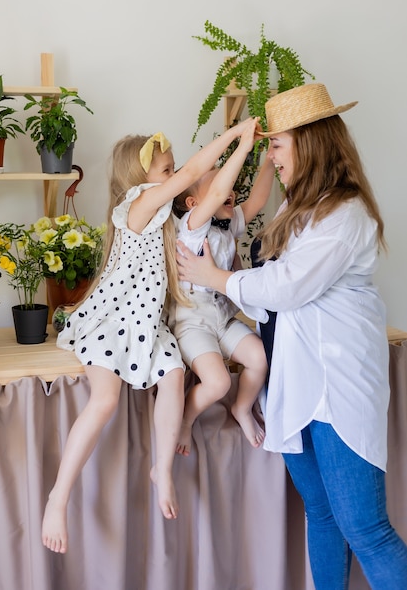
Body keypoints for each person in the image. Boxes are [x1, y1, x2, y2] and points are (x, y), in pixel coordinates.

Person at [176, 83, 407, 589]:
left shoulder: (345, 214)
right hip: (297, 379)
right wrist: (220, 280)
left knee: (366, 529)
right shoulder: (296, 208)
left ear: (308, 143)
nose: (272, 156)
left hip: (337, 386)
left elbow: (288, 285)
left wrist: (213, 277)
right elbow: (263, 292)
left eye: (276, 145)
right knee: (322, 517)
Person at [41, 119, 260, 554]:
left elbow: (215, 197)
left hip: (146, 325)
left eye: (172, 169)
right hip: (113, 320)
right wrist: (236, 139)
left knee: (174, 377)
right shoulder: (137, 204)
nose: (175, 176)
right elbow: (195, 176)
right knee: (104, 400)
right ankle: (58, 496)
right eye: (166, 170)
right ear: (142, 180)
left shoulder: (166, 218)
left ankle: (162, 469)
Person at [170, 129, 275, 455]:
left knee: (260, 358)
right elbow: (215, 195)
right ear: (193, 203)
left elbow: (257, 201)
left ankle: (242, 407)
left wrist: (270, 156)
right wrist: (243, 145)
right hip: (193, 321)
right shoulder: (192, 227)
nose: (227, 189)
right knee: (218, 382)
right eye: (220, 184)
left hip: (223, 315)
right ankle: (186, 418)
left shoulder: (229, 220)